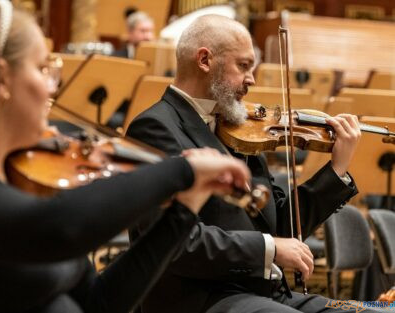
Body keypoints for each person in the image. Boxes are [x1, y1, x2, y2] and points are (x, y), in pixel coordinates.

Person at [0, 3, 252, 313]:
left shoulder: (23, 186)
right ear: (1, 79)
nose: (53, 87)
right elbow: (58, 227)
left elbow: (100, 304)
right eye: (43, 69)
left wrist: (182, 212)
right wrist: (183, 169)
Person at [127, 14, 376, 313]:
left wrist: (336, 168)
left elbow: (283, 227)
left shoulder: (239, 128)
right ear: (205, 60)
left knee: (375, 312)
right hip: (203, 300)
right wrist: (268, 248)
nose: (252, 79)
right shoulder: (155, 128)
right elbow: (177, 242)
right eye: (243, 66)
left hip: (267, 296)